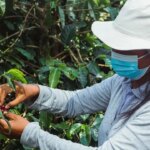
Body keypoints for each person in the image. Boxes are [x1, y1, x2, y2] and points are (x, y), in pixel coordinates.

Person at [0, 0, 150, 149]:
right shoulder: (123, 82)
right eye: (116, 45)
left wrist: (29, 133)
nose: (117, 53)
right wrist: (33, 91)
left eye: (126, 48)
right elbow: (76, 101)